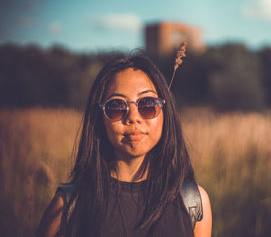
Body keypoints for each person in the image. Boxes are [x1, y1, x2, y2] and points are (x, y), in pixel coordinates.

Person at [36, 54, 212, 237]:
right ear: (99, 118)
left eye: (147, 104)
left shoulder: (193, 203)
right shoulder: (67, 207)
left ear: (165, 112)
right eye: (116, 107)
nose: (133, 117)